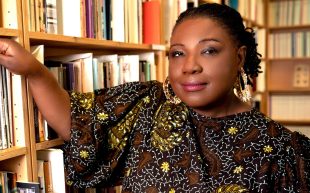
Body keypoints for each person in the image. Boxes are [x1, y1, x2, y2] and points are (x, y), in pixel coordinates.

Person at [0, 3, 309, 193]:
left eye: (209, 50)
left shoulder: (280, 149)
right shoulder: (148, 105)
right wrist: (35, 71)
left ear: (239, 57)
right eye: (178, 53)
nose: (190, 66)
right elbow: (78, 124)